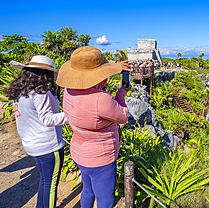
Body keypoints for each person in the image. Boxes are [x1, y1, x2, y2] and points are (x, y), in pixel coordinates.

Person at [56, 46, 129, 208]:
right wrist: (121, 94)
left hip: (80, 153)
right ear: (100, 78)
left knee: (88, 190)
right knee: (105, 200)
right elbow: (123, 116)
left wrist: (114, 64)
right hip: (100, 159)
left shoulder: (69, 91)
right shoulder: (100, 99)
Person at [7, 55, 68, 208]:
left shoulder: (21, 91)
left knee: (44, 180)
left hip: (32, 144)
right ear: (45, 74)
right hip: (48, 145)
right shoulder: (41, 92)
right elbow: (47, 119)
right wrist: (72, 115)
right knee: (51, 185)